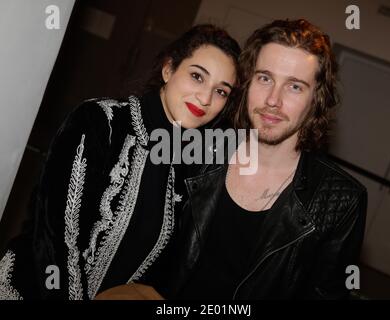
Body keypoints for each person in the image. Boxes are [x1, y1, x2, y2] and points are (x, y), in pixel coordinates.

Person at [0, 24, 240, 300]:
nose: (206, 98)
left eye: (221, 91)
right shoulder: (99, 122)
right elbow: (56, 238)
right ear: (168, 69)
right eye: (197, 76)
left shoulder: (191, 166)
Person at [162, 19, 368, 300]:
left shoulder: (341, 200)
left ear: (316, 99)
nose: (273, 100)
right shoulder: (199, 149)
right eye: (265, 78)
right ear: (247, 82)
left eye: (294, 86)